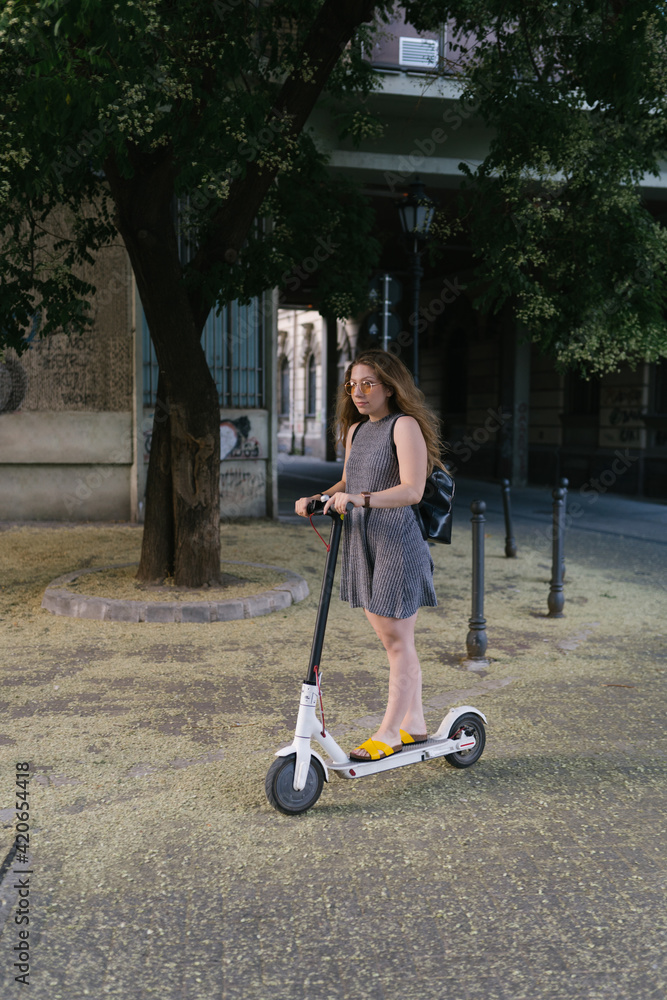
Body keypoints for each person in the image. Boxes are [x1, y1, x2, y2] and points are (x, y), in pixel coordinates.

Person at [295, 349, 446, 763]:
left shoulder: (404, 425)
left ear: (390, 387)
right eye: (352, 385)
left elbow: (412, 490)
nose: (358, 392)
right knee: (394, 640)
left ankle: (390, 733)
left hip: (397, 540)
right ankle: (414, 722)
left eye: (368, 383)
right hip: (362, 538)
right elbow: (349, 481)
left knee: (397, 640)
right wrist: (320, 497)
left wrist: (359, 499)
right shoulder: (356, 431)